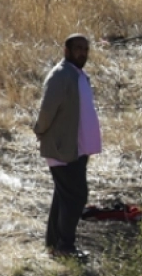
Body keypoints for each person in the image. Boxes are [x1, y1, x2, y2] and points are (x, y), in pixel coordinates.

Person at [34, 34, 102, 260]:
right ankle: (66, 246)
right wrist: (41, 130)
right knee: (76, 196)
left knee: (64, 196)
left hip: (77, 149)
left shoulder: (79, 75)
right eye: (78, 49)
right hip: (63, 148)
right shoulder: (61, 75)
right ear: (66, 50)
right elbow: (47, 110)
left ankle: (54, 244)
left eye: (85, 49)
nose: (83, 53)